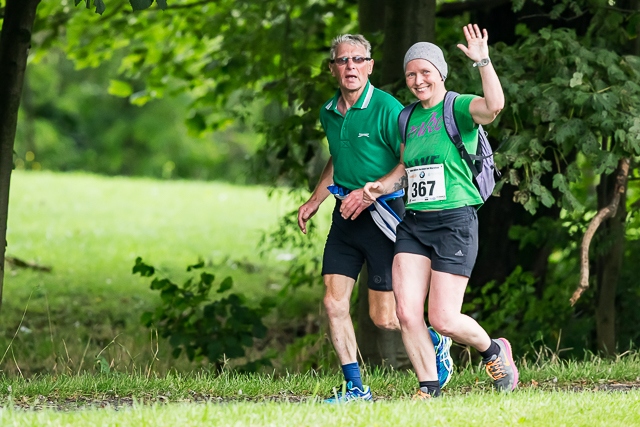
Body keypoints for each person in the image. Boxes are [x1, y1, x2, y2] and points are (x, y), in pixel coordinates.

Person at [364, 24, 519, 399]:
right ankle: (428, 387)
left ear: (440, 73)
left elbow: (494, 106)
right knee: (405, 313)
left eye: (425, 72)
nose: (418, 80)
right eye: (411, 74)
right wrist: (381, 187)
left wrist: (483, 60)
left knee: (444, 319)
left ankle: (494, 351)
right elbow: (408, 168)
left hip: (455, 221)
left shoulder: (458, 106)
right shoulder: (407, 118)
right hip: (414, 223)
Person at [297, 33, 453, 403]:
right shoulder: (329, 111)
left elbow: (408, 160)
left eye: (357, 60)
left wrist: (373, 192)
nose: (350, 67)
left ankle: (436, 341)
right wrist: (316, 199)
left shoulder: (387, 108)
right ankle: (356, 388)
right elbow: (340, 157)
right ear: (333, 68)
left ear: (369, 65)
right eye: (342, 61)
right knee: (334, 304)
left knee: (384, 317)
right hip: (345, 217)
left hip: (384, 216)